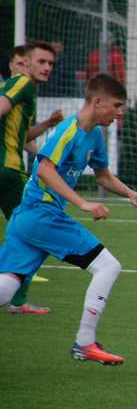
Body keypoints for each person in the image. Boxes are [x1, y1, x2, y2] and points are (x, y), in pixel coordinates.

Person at [0, 73, 137, 365]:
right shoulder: (68, 130)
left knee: (7, 287)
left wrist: (133, 194)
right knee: (108, 266)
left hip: (29, 218)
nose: (120, 112)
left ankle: (85, 343)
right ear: (98, 102)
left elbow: (103, 176)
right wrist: (83, 203)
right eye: (117, 105)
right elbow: (44, 169)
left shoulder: (94, 132)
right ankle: (85, 342)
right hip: (40, 213)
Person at [1, 42, 65, 315]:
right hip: (8, 172)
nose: (47, 67)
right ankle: (17, 300)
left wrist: (48, 124)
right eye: (41, 62)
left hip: (9, 171)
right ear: (25, 63)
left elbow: (22, 137)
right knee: (35, 234)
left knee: (24, 233)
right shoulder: (21, 83)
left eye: (50, 63)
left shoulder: (25, 91)